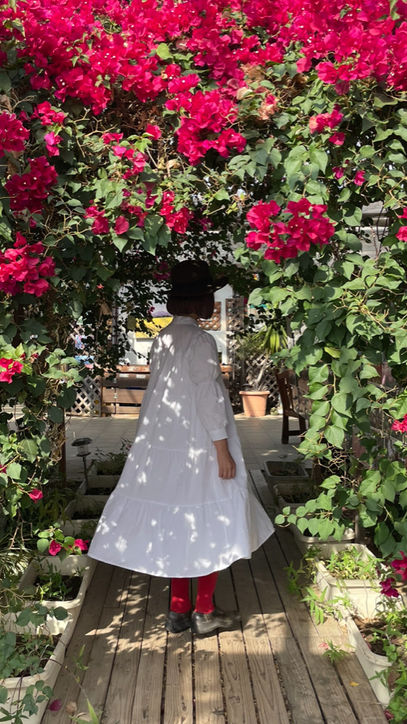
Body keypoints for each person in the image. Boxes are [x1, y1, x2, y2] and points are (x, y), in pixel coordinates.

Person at [87, 260, 274, 635]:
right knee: (211, 519)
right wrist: (222, 449)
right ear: (202, 299)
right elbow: (207, 396)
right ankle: (203, 611)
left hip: (164, 446)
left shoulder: (163, 339)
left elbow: (160, 396)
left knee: (177, 520)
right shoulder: (201, 341)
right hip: (201, 445)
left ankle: (177, 610)